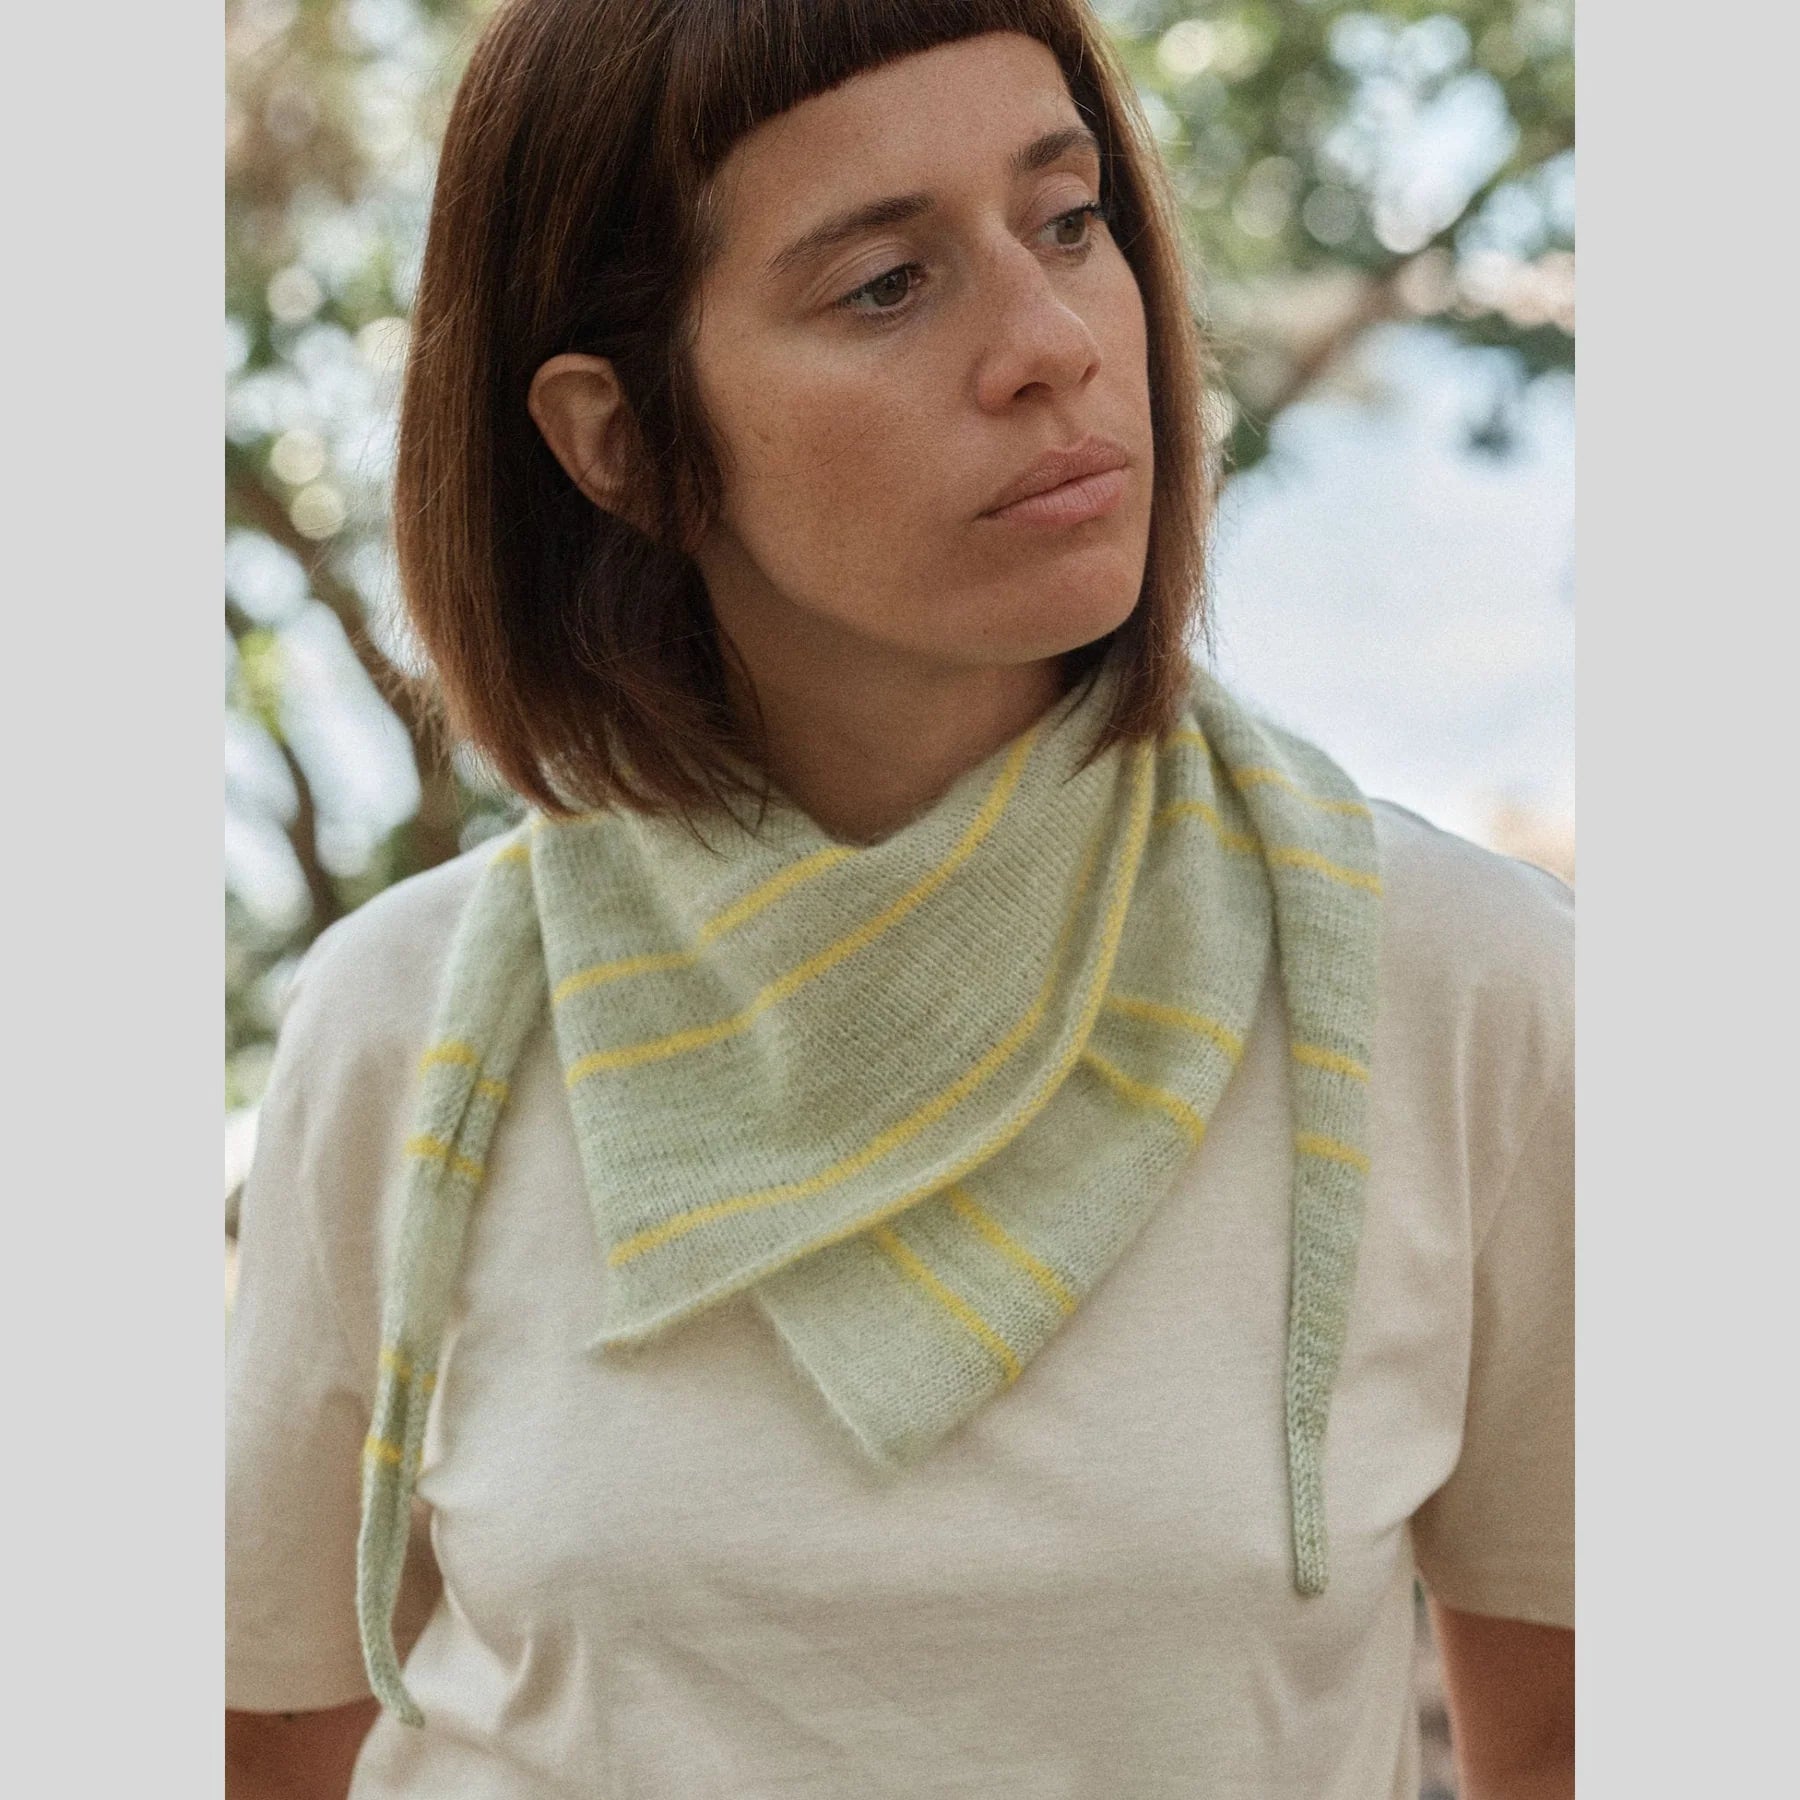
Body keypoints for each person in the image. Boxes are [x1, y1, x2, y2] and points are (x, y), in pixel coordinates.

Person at [225, 3, 1574, 1796]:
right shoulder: (403, 1027)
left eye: (1068, 221)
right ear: (616, 439)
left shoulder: (1457, 984)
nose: (1054, 344)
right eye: (885, 285)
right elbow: (258, 1745)